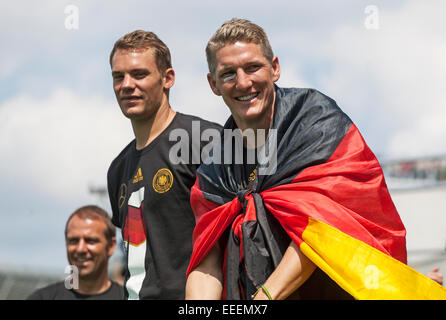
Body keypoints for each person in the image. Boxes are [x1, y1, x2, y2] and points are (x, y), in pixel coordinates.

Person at [185, 18, 446, 300]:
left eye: (252, 67)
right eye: (228, 74)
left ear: (274, 68)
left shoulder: (314, 122)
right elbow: (206, 263)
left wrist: (262, 301)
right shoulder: (215, 167)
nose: (243, 82)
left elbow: (319, 230)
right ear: (213, 84)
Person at [107, 30, 221, 299]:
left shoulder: (205, 140)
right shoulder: (117, 169)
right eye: (118, 76)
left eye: (139, 74)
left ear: (167, 78)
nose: (126, 84)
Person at [27, 205, 124, 300]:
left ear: (111, 246)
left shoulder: (129, 298)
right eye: (73, 241)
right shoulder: (42, 298)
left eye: (90, 241)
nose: (80, 249)